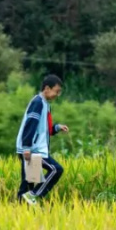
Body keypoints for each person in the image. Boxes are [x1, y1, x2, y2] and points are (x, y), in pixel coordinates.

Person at [16, 74, 69, 205]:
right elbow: (30, 125)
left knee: (28, 184)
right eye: (56, 91)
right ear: (47, 88)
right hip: (33, 149)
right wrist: (27, 147)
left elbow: (47, 129)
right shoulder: (38, 102)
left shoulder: (46, 105)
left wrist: (57, 128)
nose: (58, 95)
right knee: (56, 169)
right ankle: (34, 194)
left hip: (33, 149)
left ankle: (18, 209)